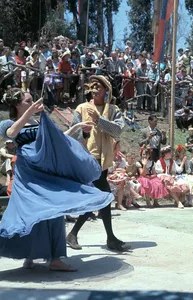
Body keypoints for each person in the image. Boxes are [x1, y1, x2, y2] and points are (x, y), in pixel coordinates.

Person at [0, 90, 112, 271]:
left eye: (33, 101)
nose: (33, 103)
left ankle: (56, 259)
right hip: (28, 175)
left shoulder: (39, 121)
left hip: (46, 170)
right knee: (31, 215)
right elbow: (11, 133)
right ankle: (30, 255)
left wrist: (77, 127)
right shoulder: (8, 123)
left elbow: (59, 138)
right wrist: (29, 112)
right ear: (17, 105)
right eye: (28, 101)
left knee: (54, 210)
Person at [66, 75, 131, 252]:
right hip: (88, 158)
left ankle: (73, 233)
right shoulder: (82, 108)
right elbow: (73, 135)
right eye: (93, 85)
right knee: (104, 196)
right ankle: (110, 238)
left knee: (99, 198)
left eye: (99, 86)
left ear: (106, 91)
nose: (95, 89)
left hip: (104, 160)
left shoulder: (113, 109)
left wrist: (99, 120)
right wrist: (84, 133)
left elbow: (117, 130)